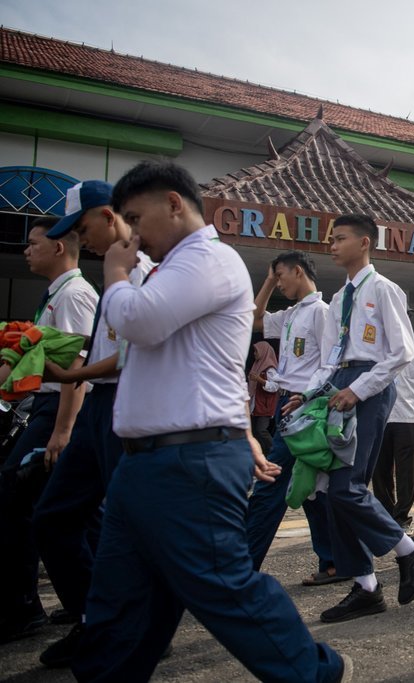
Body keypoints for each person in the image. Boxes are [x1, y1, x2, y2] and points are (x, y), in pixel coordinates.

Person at [71, 161, 346, 682]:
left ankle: (316, 673)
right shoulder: (173, 269)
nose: (130, 232)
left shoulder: (209, 259)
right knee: (121, 599)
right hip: (147, 459)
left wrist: (114, 273)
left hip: (187, 458)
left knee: (224, 587)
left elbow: (139, 321)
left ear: (174, 204)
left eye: (136, 216)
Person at [28, 181, 154, 667]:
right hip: (97, 407)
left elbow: (129, 355)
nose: (85, 241)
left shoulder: (140, 274)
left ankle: (133, 624)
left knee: (127, 526)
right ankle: (93, 619)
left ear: (107, 216)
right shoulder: (113, 273)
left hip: (122, 405)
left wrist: (71, 375)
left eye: (83, 229)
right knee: (55, 516)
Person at [286, 213, 414, 624]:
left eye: (340, 238)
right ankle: (366, 586)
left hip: (370, 385)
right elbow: (330, 357)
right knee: (333, 490)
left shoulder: (384, 290)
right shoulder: (338, 300)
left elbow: (402, 352)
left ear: (365, 242)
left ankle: (408, 548)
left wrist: (360, 389)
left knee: (347, 485)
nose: (332, 245)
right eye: (331, 239)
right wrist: (308, 394)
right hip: (341, 384)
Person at [0, 215, 97, 644]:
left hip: (59, 409)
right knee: (72, 512)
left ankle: (32, 606)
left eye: (34, 242)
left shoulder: (75, 295)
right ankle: (88, 605)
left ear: (60, 247)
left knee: (19, 496)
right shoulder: (56, 294)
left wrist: (62, 431)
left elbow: (77, 369)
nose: (26, 249)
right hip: (48, 406)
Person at [246, 251, 338, 586]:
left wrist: (311, 398)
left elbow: (332, 362)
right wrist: (268, 280)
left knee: (270, 485)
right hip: (286, 404)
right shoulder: (290, 315)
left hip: (305, 408)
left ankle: (242, 565)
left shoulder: (321, 313)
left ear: (298, 271)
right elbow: (254, 319)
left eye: (282, 276)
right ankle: (334, 560)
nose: (280, 282)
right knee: (312, 489)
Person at [372, 336, 414, 528]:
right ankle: (387, 515)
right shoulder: (374, 344)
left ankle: (402, 517)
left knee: (407, 471)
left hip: (407, 417)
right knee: (379, 470)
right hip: (379, 417)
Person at [248, 341, 279, 454]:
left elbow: (275, 386)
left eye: (256, 351)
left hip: (265, 405)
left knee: (261, 430)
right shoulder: (257, 366)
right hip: (256, 405)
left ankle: (274, 450)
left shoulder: (270, 369)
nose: (255, 354)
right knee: (255, 432)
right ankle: (264, 453)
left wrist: (260, 380)